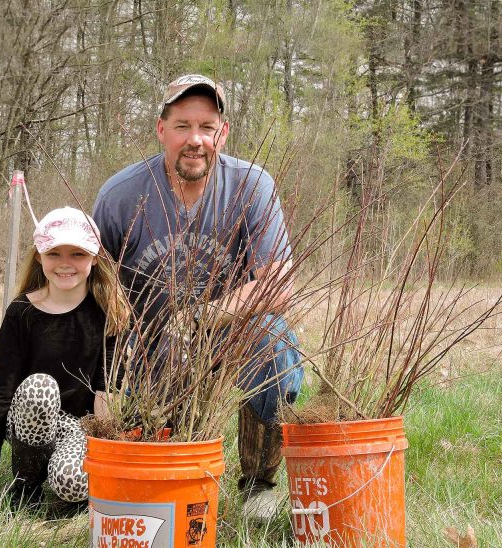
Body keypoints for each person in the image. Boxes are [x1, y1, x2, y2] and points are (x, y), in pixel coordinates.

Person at [92, 74, 303, 519]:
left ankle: (258, 485)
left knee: (274, 342)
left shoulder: (252, 186)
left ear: (222, 133)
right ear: (160, 130)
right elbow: (95, 288)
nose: (196, 140)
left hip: (225, 338)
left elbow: (278, 281)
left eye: (207, 127)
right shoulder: (120, 195)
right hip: (147, 352)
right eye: (183, 125)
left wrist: (200, 317)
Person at [0, 207, 130, 512]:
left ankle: (64, 488)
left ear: (94, 257)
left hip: (77, 425)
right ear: (39, 256)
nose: (65, 264)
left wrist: (105, 465)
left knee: (72, 481)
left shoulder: (109, 312)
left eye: (77, 254)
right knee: (40, 388)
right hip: (27, 416)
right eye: (54, 253)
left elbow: (106, 392)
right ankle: (26, 486)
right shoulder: (21, 313)